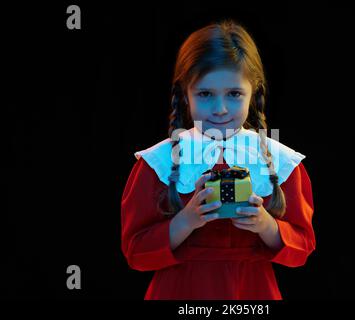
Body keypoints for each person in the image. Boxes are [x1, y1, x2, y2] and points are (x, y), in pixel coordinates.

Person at [121, 20, 316, 300]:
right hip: (180, 290)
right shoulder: (159, 163)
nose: (221, 109)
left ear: (254, 92)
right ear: (185, 95)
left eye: (234, 94)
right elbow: (136, 252)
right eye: (205, 94)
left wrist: (265, 225)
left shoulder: (281, 163)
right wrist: (186, 221)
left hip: (251, 291)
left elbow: (301, 249)